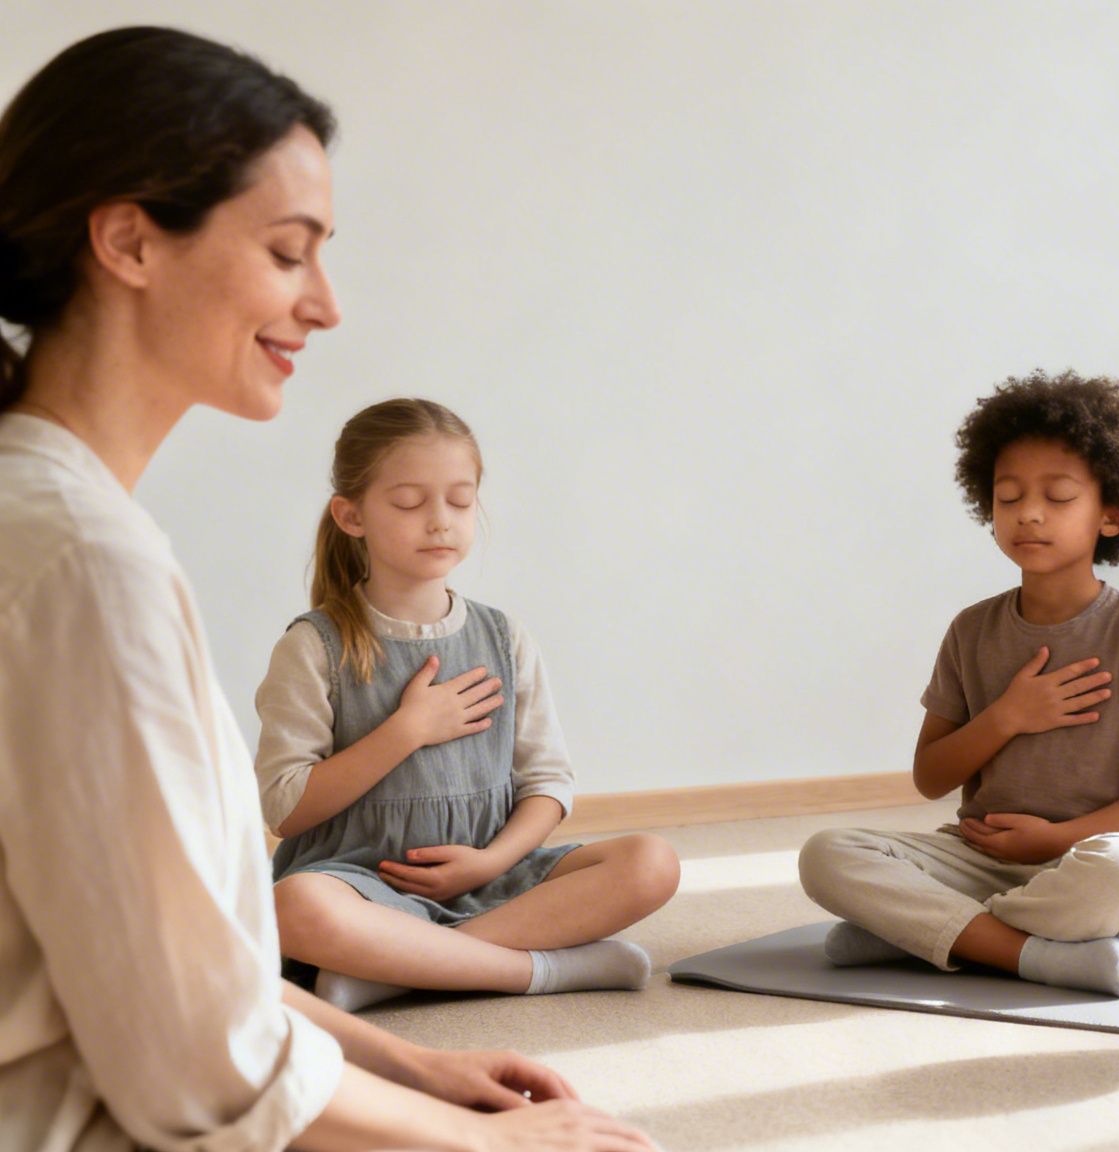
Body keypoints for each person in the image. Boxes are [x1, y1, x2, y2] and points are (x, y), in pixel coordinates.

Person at [0, 26, 654, 1148]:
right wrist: (489, 1143)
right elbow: (189, 1067)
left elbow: (191, 962)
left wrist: (414, 1067)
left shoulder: (58, 520)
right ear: (128, 241)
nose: (327, 304)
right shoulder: (80, 562)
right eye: (289, 252)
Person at [259, 397, 679, 1012]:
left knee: (652, 862)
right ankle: (539, 969)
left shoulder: (505, 639)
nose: (439, 521)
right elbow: (285, 809)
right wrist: (406, 730)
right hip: (361, 886)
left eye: (459, 501)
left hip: (491, 875)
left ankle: (400, 970)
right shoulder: (312, 647)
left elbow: (548, 783)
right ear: (351, 516)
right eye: (408, 502)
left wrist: (487, 863)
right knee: (295, 909)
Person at [797, 370, 1119, 999]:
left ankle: (937, 934)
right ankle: (1026, 950)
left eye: (1059, 496)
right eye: (1008, 497)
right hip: (982, 859)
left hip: (1097, 856)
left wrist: (1057, 839)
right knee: (826, 854)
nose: (1029, 514)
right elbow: (931, 777)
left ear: (1112, 515)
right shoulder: (971, 630)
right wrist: (1008, 715)